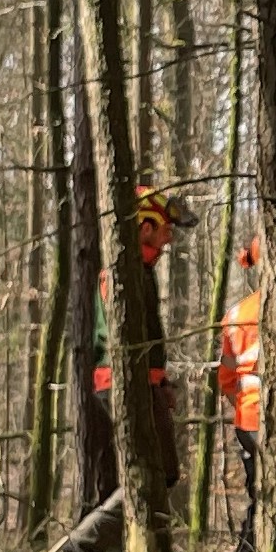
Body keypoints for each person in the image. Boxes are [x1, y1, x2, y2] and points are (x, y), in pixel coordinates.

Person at [91, 187, 182, 488]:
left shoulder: (142, 270)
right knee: (149, 476)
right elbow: (126, 340)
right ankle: (84, 538)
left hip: (143, 381)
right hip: (124, 381)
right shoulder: (122, 273)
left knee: (161, 474)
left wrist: (161, 381)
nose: (169, 238)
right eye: (166, 230)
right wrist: (145, 383)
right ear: (145, 228)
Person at [214, 238, 262, 552]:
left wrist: (241, 405)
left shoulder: (235, 315)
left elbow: (226, 380)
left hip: (247, 418)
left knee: (259, 493)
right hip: (261, 417)